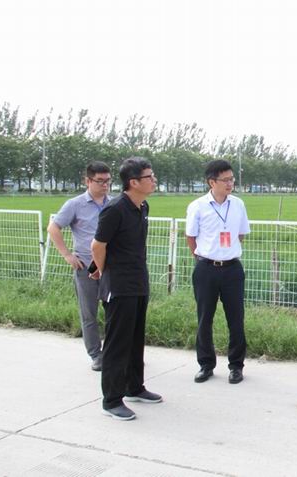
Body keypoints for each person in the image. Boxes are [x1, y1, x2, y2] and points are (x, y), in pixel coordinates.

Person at [91, 157, 162, 420]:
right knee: (117, 344)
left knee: (135, 339)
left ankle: (135, 387)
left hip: (138, 281)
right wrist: (105, 271)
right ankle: (111, 400)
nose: (154, 180)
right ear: (133, 182)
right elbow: (98, 246)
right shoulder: (115, 209)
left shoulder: (142, 206)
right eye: (149, 177)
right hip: (119, 285)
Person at [185, 160, 251, 384]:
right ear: (211, 182)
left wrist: (227, 252)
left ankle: (236, 366)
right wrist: (203, 257)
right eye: (225, 180)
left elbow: (240, 234)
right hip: (206, 268)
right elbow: (191, 237)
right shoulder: (198, 206)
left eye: (232, 179)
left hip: (232, 269)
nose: (230, 183)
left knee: (236, 319)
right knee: (205, 318)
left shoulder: (238, 204)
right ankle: (206, 364)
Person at [47, 161, 112, 371]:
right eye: (99, 181)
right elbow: (53, 228)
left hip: (110, 266)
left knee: (114, 311)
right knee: (89, 312)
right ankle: (96, 354)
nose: (104, 185)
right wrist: (67, 255)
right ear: (87, 181)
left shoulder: (113, 204)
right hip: (86, 266)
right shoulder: (75, 205)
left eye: (107, 181)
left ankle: (114, 351)